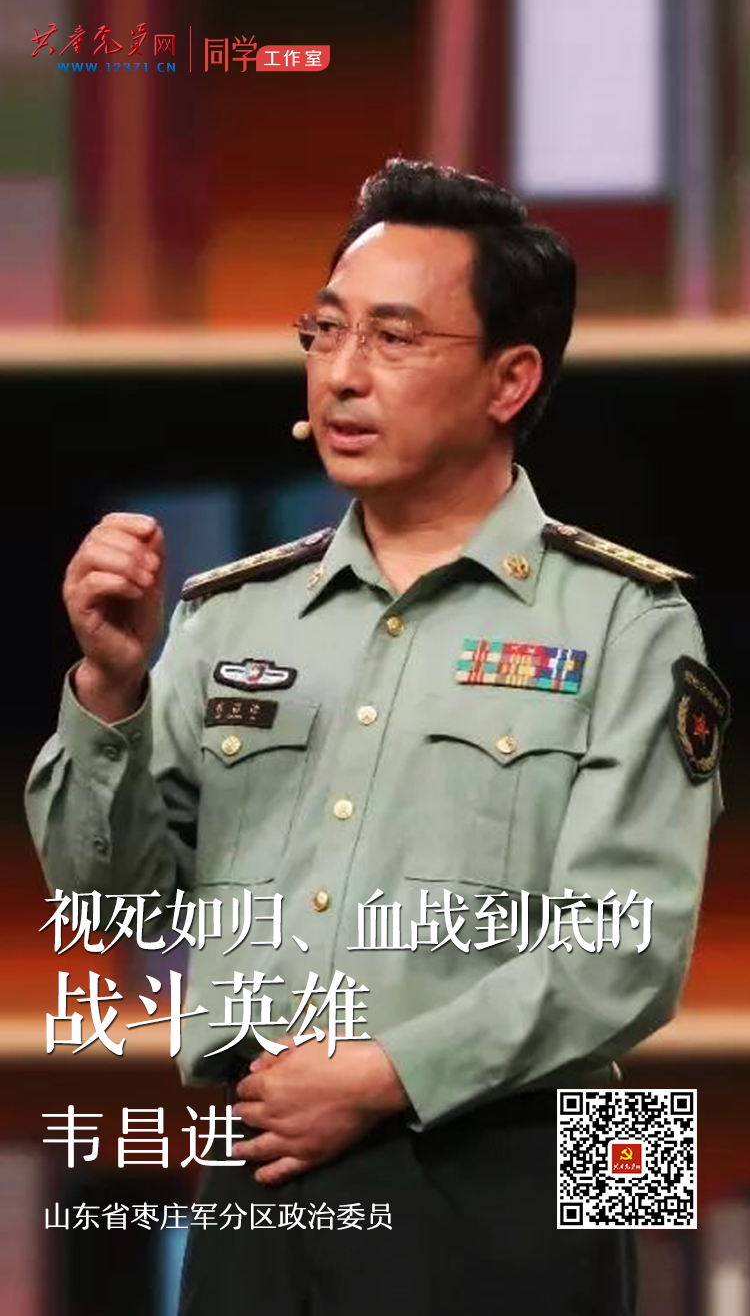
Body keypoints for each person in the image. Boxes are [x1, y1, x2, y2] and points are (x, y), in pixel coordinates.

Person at [25, 158, 728, 1315]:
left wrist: (384, 1074)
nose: (343, 372)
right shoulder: (225, 613)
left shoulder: (631, 617)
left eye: (394, 338)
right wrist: (108, 686)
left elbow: (630, 953)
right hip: (268, 1153)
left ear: (511, 378)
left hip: (525, 1157)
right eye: (327, 330)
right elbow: (114, 906)